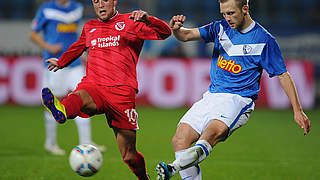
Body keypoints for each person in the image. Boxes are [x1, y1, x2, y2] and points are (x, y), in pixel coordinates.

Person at [156, 0, 311, 179]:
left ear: (245, 9)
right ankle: (174, 170)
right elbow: (186, 35)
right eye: (223, 14)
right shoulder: (219, 28)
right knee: (179, 140)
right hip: (211, 96)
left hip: (238, 100)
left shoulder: (264, 40)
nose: (227, 18)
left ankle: (172, 169)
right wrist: (176, 29)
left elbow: (283, 75)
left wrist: (297, 110)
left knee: (209, 136)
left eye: (231, 13)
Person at [41, 0, 171, 179]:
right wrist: (61, 62)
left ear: (114, 2)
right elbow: (78, 47)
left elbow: (165, 32)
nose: (100, 5)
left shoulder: (131, 21)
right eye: (96, 1)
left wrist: (149, 19)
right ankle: (62, 110)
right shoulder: (90, 26)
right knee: (78, 96)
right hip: (94, 85)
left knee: (129, 155)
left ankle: (144, 178)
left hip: (121, 93)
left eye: (104, 0)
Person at [30, 0, 106, 155]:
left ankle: (86, 142)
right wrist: (48, 47)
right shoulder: (46, 10)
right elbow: (33, 34)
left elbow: (75, 35)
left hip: (74, 62)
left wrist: (82, 52)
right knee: (54, 101)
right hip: (55, 63)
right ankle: (50, 143)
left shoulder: (76, 8)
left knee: (83, 97)